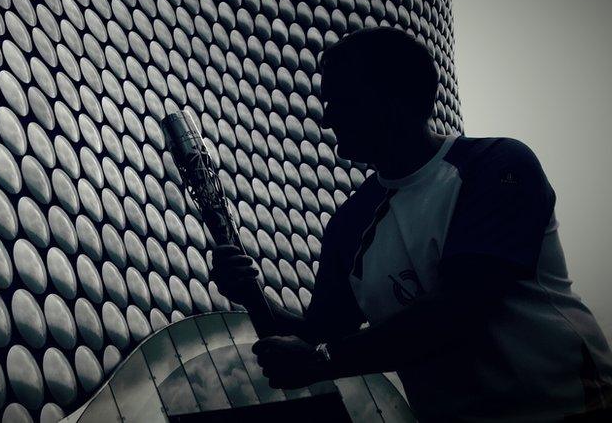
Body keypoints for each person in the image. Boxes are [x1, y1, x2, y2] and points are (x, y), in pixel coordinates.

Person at [210, 26, 612, 422]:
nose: (328, 118)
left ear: (393, 98)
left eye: (340, 99)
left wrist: (322, 359)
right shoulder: (350, 224)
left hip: (570, 408)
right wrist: (253, 296)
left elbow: (460, 308)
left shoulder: (496, 167)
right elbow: (320, 333)